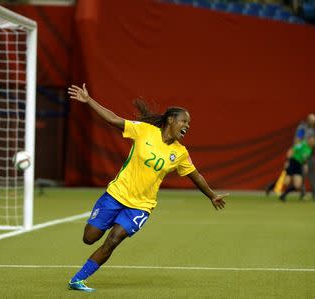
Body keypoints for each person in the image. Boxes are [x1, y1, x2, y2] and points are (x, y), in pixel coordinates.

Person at [66, 83, 228, 292]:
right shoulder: (143, 131)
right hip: (116, 194)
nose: (187, 125)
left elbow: (195, 176)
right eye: (184, 121)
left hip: (141, 206)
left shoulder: (180, 153)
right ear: (171, 120)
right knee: (90, 237)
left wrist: (211, 195)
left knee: (113, 240)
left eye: (189, 123)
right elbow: (113, 119)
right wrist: (88, 101)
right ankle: (102, 225)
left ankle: (78, 279)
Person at [268, 136, 315, 201]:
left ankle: (283, 195)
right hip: (293, 162)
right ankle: (271, 186)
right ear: (309, 140)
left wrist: (305, 165)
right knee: (286, 182)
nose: (313, 142)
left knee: (297, 185)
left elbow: (304, 158)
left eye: (314, 141)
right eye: (312, 140)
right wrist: (287, 161)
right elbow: (291, 150)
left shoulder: (310, 149)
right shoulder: (302, 144)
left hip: (299, 165)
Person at [294, 113, 315, 200]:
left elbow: (313, 141)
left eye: (314, 121)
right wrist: (300, 153)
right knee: (303, 174)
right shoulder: (302, 128)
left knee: (312, 174)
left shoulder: (312, 129)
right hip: (302, 154)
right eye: (312, 121)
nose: (313, 122)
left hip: (310, 154)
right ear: (308, 120)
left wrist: (314, 144)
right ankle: (303, 193)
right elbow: (298, 140)